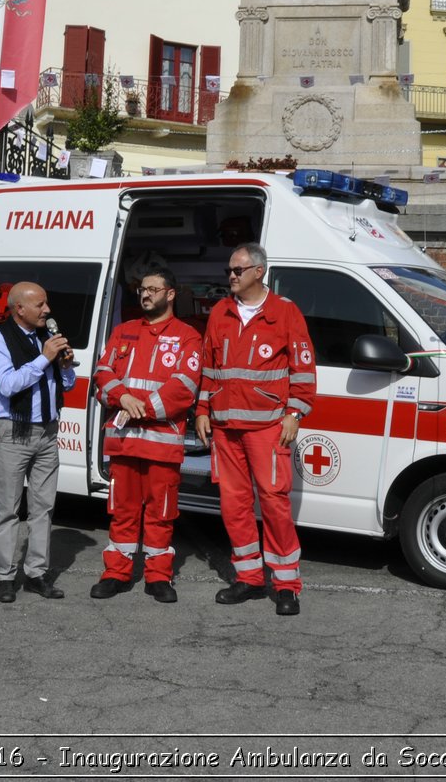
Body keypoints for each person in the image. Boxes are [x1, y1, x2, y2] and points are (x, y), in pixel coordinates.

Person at [194, 242, 316, 616]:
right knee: (234, 506)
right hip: (225, 427)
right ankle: (248, 578)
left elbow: (304, 369)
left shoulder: (285, 312)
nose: (231, 276)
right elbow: (210, 367)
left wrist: (294, 413)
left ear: (259, 272)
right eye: (229, 271)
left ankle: (285, 585)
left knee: (275, 504)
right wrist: (201, 408)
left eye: (238, 270)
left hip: (267, 428)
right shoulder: (221, 312)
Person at [90, 267, 202, 603]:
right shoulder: (123, 331)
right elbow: (102, 372)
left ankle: (158, 576)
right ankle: (116, 573)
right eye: (142, 288)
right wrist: (122, 397)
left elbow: (184, 387)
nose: (145, 294)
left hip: (161, 444)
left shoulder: (188, 336)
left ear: (171, 294)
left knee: (161, 512)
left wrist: (142, 408)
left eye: (153, 288)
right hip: (124, 441)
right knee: (122, 510)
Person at [0, 281, 76, 603]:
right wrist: (43, 358)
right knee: (7, 508)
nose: (47, 310)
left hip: (48, 432)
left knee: (43, 508)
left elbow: (64, 384)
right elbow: (8, 385)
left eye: (46, 303)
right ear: (19, 309)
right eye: (40, 305)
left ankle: (37, 573)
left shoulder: (46, 338)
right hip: (14, 432)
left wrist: (63, 366)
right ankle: (5, 577)